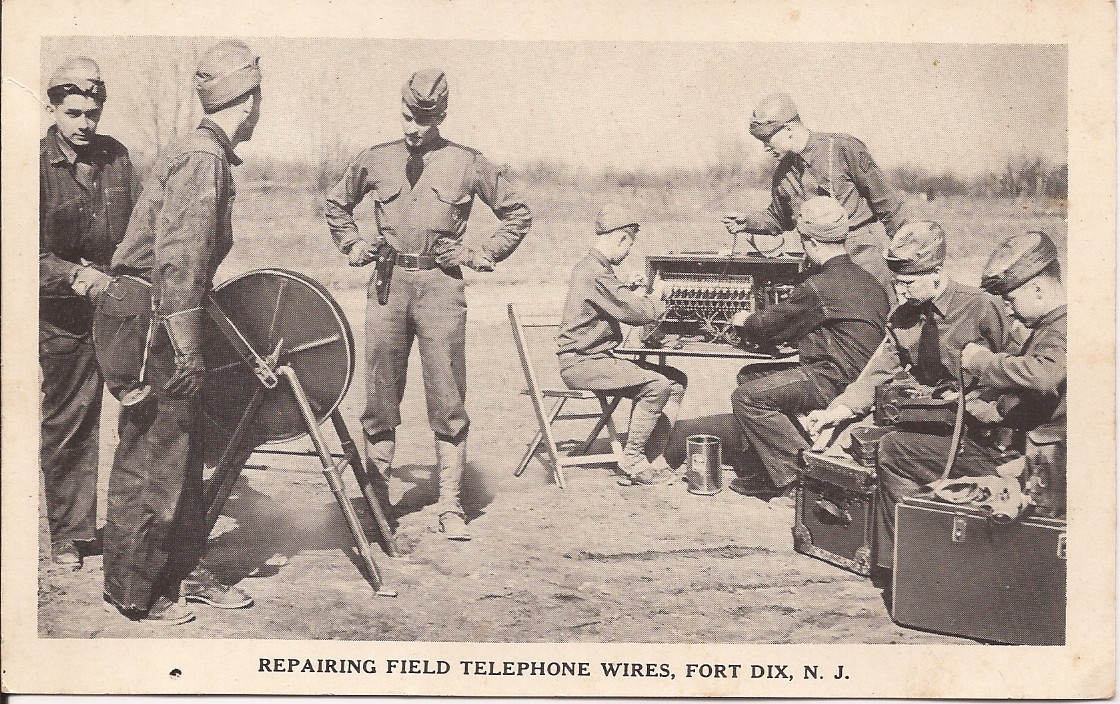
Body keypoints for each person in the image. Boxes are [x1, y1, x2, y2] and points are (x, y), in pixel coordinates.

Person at [96, 40, 263, 625]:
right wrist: (189, 348)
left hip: (157, 310)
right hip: (153, 317)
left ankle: (188, 572)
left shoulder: (203, 151)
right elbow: (181, 261)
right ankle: (135, 590)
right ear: (247, 102)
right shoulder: (201, 157)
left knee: (182, 450)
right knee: (153, 457)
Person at [325, 68, 532, 541]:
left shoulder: (467, 162)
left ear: (439, 116)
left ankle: (450, 504)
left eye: (422, 120)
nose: (411, 128)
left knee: (448, 397)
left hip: (442, 286)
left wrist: (481, 252)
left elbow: (518, 212)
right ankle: (377, 504)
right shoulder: (375, 160)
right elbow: (337, 205)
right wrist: (353, 244)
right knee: (379, 396)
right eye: (406, 117)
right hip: (386, 285)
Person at [805, 220, 1014, 571]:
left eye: (908, 282)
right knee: (863, 443)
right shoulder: (904, 316)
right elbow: (878, 371)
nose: (901, 293)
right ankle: (899, 564)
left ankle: (918, 554)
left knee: (891, 450)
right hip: (932, 426)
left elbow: (1021, 370)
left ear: (936, 272)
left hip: (983, 435)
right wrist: (837, 410)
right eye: (896, 283)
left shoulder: (982, 307)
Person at [39, 57, 138, 569]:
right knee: (70, 424)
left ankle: (133, 529)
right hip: (63, 320)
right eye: (74, 112)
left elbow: (141, 225)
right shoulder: (30, 165)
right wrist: (76, 276)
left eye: (93, 113)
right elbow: (21, 257)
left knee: (142, 417)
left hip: (120, 309)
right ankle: (70, 536)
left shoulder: (116, 157)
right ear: (53, 107)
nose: (85, 124)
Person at [727, 196, 890, 502]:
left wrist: (744, 319)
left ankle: (802, 479)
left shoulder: (819, 285)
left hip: (833, 379)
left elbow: (769, 326)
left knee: (747, 398)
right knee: (750, 376)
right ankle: (768, 471)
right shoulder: (869, 280)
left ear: (811, 242)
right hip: (862, 377)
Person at [723, 92, 909, 297]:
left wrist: (905, 257)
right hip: (818, 262)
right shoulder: (782, 174)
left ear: (789, 129)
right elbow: (779, 218)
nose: (766, 148)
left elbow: (887, 203)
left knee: (881, 318)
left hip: (861, 256)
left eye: (767, 139)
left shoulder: (841, 148)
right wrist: (748, 222)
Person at [556, 205, 686, 487]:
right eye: (628, 246)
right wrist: (658, 298)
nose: (627, 254)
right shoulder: (595, 273)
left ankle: (653, 455)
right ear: (620, 238)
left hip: (596, 359)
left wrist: (632, 291)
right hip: (583, 364)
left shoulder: (597, 269)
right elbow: (637, 314)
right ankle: (634, 461)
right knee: (656, 385)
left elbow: (620, 303)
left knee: (675, 381)